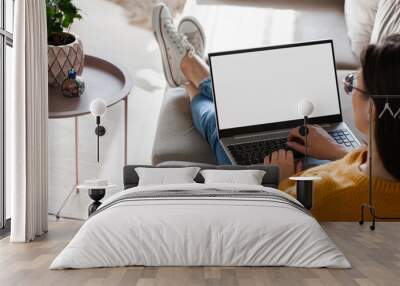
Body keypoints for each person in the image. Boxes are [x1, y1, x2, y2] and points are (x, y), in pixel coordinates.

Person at [152, 3, 400, 220]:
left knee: (222, 125)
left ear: (373, 109)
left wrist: (282, 181)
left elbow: (269, 220)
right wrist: (339, 152)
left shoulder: (322, 194)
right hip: (330, 159)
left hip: (290, 180)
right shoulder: (380, 157)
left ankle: (188, 68)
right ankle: (189, 69)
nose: (347, 86)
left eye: (351, 84)